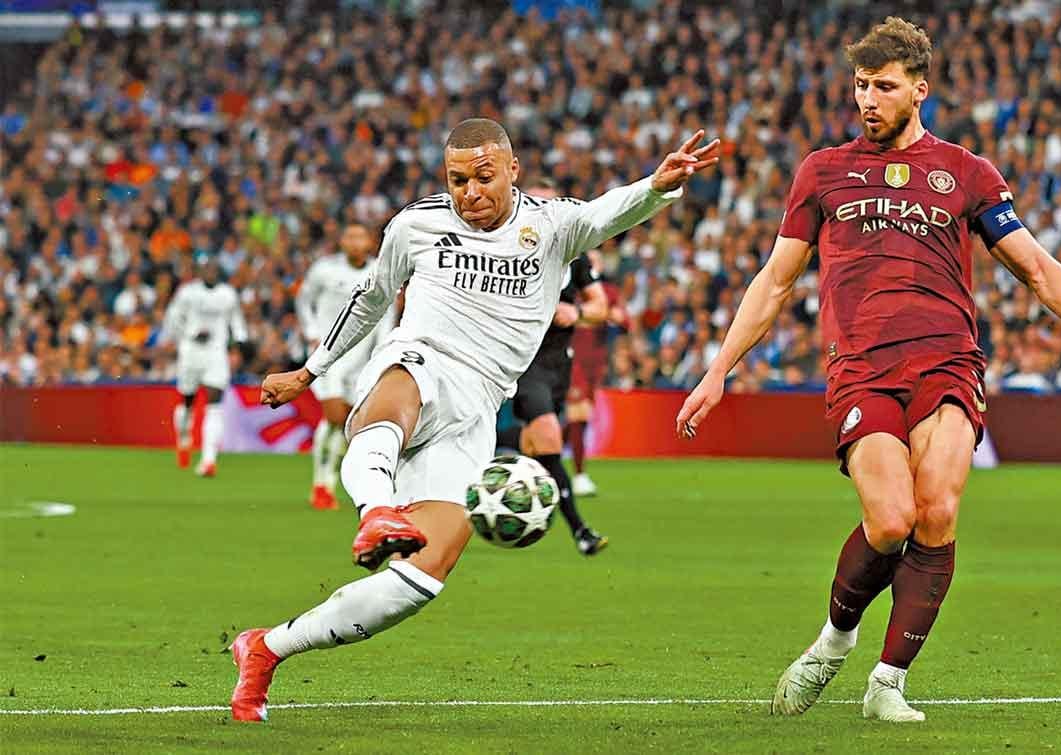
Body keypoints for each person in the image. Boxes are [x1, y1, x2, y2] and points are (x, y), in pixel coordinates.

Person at [676, 18, 1061, 723]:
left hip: (948, 362)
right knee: (890, 519)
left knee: (937, 514)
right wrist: (719, 369)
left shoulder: (967, 173)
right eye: (861, 85)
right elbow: (776, 280)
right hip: (862, 367)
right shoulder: (823, 171)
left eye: (884, 87)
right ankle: (833, 643)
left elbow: (1033, 264)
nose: (868, 99)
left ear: (919, 90)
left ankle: (888, 682)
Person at [228, 118, 719, 722]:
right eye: (458, 180)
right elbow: (372, 298)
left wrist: (658, 185)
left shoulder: (551, 225)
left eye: (484, 177)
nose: (470, 192)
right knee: (399, 396)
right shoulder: (415, 225)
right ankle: (374, 511)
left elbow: (606, 212)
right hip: (420, 358)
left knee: (421, 580)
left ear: (513, 170)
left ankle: (267, 648)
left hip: (477, 409)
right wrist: (309, 372)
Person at [503, 182, 611, 554]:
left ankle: (500, 487)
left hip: (558, 365)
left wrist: (576, 312)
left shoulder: (574, 257)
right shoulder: (505, 252)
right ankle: (580, 530)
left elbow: (601, 307)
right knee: (549, 436)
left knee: (536, 446)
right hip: (524, 360)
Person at [296, 224, 394, 510]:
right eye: (349, 237)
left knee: (348, 423)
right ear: (341, 241)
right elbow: (304, 300)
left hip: (360, 360)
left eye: (359, 237)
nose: (354, 242)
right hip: (327, 356)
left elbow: (387, 314)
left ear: (369, 242)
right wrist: (311, 332)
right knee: (334, 415)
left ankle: (327, 483)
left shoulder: (380, 271)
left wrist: (382, 350)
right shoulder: (324, 270)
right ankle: (320, 483)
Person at [161, 254, 248, 477]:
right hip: (191, 351)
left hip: (216, 352)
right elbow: (172, 318)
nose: (210, 271)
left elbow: (237, 321)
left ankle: (209, 460)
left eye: (212, 267)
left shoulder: (227, 294)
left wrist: (237, 346)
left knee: (214, 402)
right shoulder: (188, 292)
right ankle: (184, 437)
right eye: (205, 268)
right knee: (187, 401)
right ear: (199, 271)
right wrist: (187, 334)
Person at [566, 249, 628, 498]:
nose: (592, 264)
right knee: (577, 414)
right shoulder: (569, 289)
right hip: (572, 359)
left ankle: (541, 460)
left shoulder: (608, 292)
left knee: (579, 419)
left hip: (596, 364)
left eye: (596, 261)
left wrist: (614, 315)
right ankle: (579, 476)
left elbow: (625, 322)